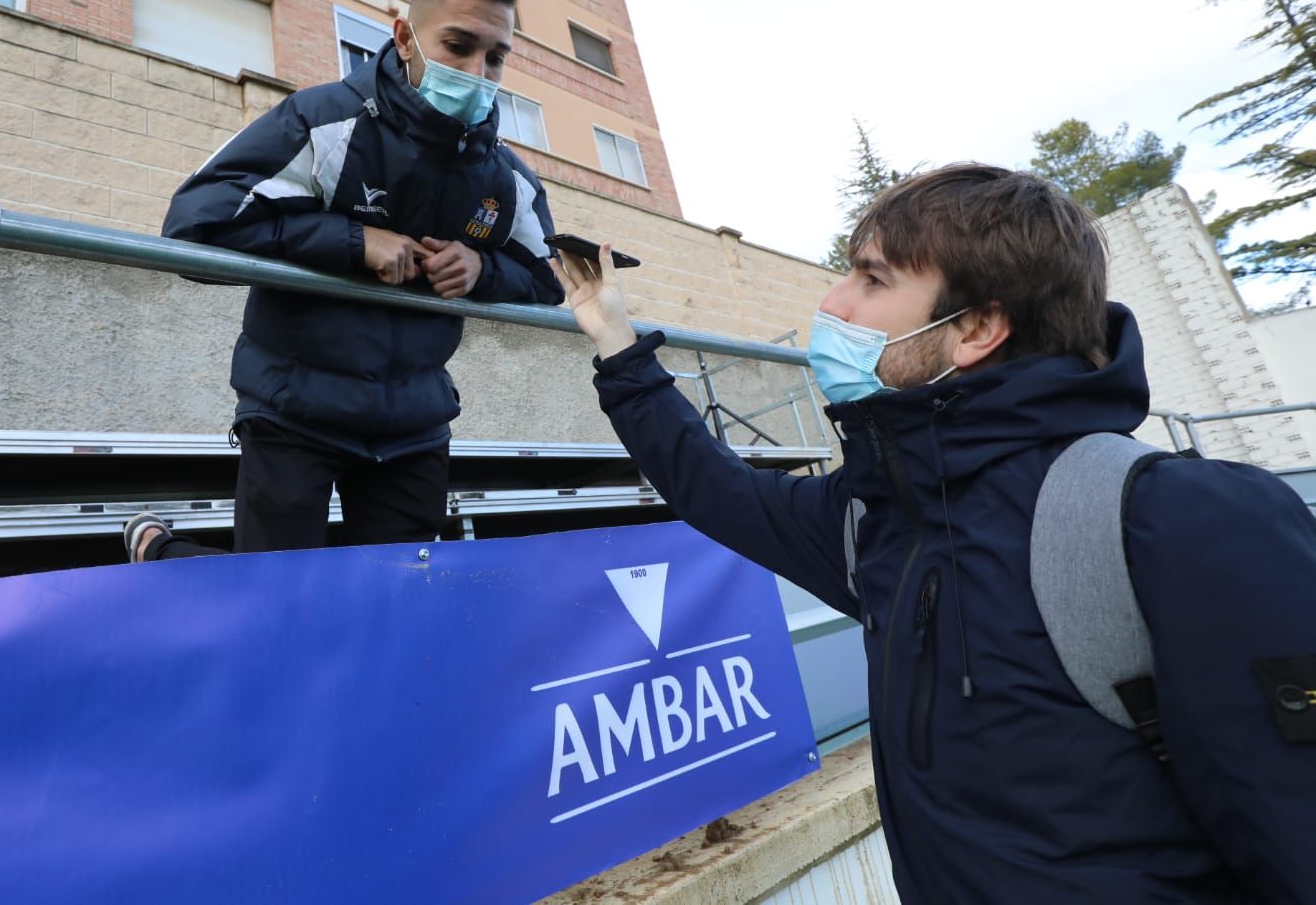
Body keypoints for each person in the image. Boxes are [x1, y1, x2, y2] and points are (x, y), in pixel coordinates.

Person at [552, 164, 1316, 904]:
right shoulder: (877, 518)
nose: (834, 301)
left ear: (978, 327)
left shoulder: (1182, 518)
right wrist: (615, 341)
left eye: (872, 279)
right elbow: (712, 488)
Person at [125, 0, 562, 563]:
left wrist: (481, 269)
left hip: (415, 426)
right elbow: (195, 224)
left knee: (398, 609)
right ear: (404, 37)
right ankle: (163, 552)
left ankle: (163, 554)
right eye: (458, 46)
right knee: (277, 603)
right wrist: (355, 243)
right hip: (293, 414)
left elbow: (551, 279)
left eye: (495, 56)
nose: (477, 71)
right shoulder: (323, 118)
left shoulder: (506, 176)